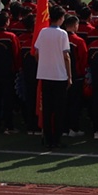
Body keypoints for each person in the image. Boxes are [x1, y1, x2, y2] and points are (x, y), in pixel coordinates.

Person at [34, 13, 74, 150]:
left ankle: (48, 139)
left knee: (47, 109)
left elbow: (37, 52)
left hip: (45, 75)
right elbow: (66, 56)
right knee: (59, 110)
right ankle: (56, 139)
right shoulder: (62, 34)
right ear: (61, 18)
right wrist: (69, 75)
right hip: (59, 75)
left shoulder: (43, 32)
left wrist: (43, 64)